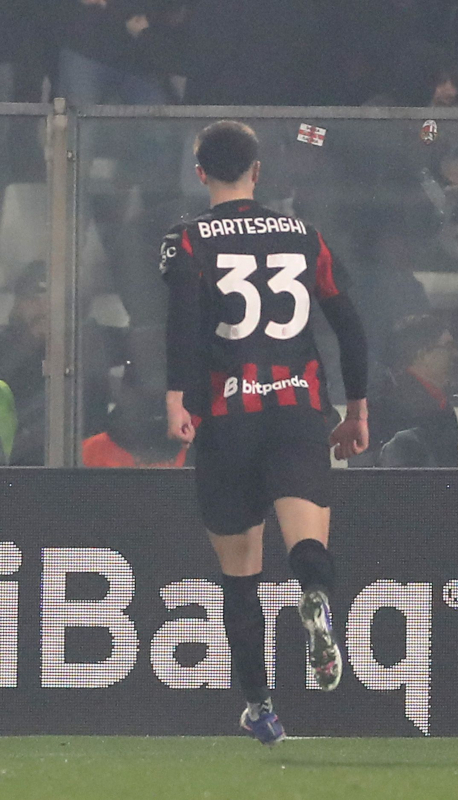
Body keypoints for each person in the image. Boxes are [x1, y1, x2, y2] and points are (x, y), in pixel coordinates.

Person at [162, 121, 369, 746]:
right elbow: (350, 326)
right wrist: (356, 409)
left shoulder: (187, 239)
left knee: (240, 573)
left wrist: (178, 398)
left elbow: (182, 324)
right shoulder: (305, 235)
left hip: (229, 418)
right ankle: (313, 593)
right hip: (299, 411)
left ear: (201, 172)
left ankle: (261, 707)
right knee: (306, 540)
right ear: (258, 170)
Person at [367, 314, 458, 468]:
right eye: (448, 347)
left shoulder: (434, 401)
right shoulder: (396, 405)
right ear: (422, 354)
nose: (456, 354)